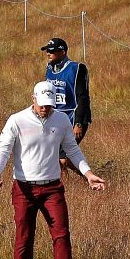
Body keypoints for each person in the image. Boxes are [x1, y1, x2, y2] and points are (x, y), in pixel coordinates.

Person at [0, 81, 107, 259]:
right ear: (33, 98)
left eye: (49, 105)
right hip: (24, 188)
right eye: (42, 104)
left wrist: (88, 174)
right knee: (24, 237)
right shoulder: (17, 120)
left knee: (61, 235)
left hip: (53, 187)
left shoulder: (61, 119)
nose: (45, 108)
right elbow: (3, 148)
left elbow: (72, 149)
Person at [41, 37, 92, 174]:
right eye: (47, 51)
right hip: (55, 120)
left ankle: (89, 180)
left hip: (74, 119)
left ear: (63, 52)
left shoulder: (77, 69)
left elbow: (83, 97)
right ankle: (85, 181)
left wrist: (79, 123)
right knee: (59, 159)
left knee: (63, 159)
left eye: (52, 51)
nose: (48, 54)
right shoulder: (49, 69)